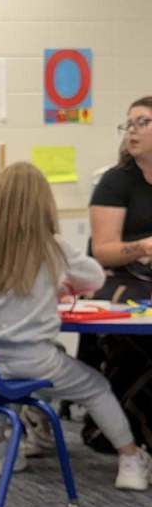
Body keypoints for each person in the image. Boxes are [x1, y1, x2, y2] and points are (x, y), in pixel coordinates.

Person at [0, 162, 149, 490]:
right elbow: (95, 277)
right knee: (97, 387)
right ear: (43, 203)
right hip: (37, 361)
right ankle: (130, 459)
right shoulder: (54, 246)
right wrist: (59, 281)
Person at [83, 96, 152, 453]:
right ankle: (129, 433)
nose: (132, 131)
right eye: (129, 124)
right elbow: (102, 250)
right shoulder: (117, 181)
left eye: (142, 122)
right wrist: (142, 247)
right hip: (123, 278)